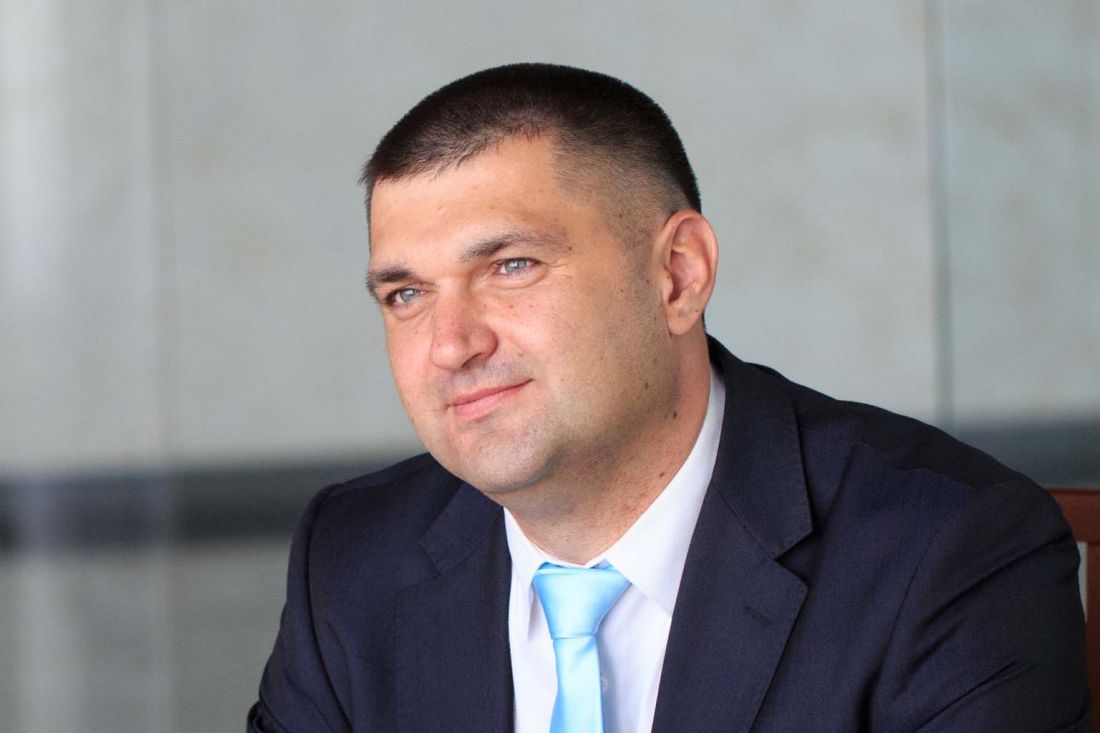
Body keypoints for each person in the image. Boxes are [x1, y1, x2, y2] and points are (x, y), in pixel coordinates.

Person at [248, 63, 1088, 732]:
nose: (451, 344)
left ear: (678, 275)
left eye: (511, 266)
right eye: (406, 294)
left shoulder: (945, 551)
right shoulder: (353, 560)